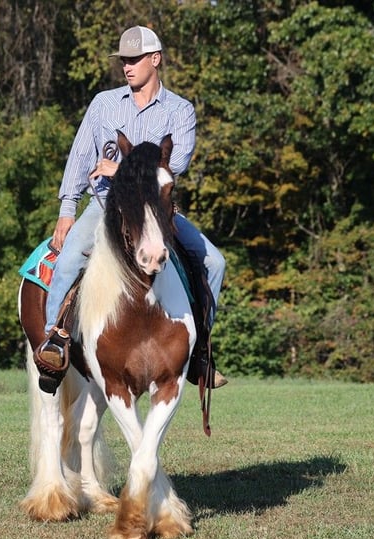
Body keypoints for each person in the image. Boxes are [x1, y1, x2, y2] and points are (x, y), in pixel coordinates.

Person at [36, 25, 227, 388]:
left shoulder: (180, 111)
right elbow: (80, 156)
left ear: (155, 60)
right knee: (70, 258)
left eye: (135, 59)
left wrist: (121, 166)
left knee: (215, 262)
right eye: (124, 60)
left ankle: (199, 353)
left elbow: (178, 162)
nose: (127, 66)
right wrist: (66, 209)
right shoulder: (103, 104)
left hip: (154, 211)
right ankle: (54, 340)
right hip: (106, 206)